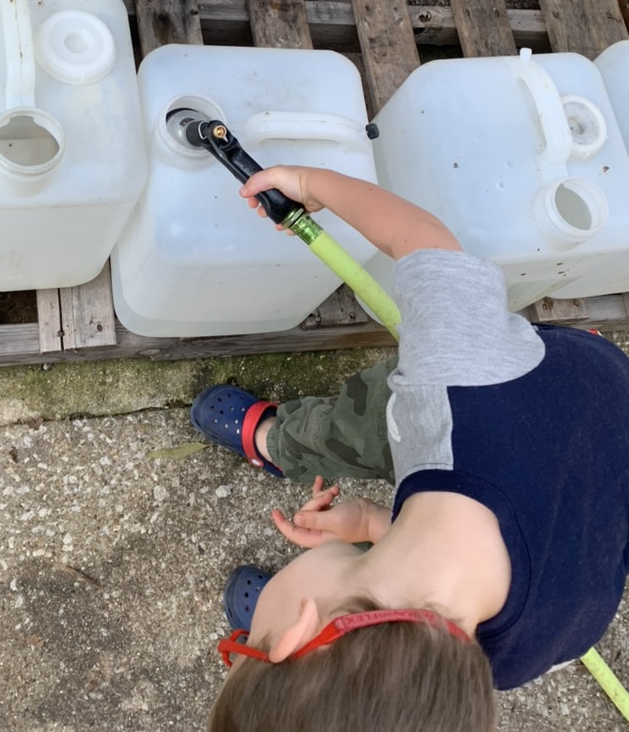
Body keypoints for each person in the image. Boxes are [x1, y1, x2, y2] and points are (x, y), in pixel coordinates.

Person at [189, 165, 629, 732]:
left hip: (593, 463)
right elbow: (421, 239)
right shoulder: (446, 389)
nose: (238, 644)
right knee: (366, 420)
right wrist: (307, 185)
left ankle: (295, 482)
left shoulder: (503, 660)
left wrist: (374, 525)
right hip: (537, 396)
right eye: (245, 650)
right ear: (297, 633)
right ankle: (281, 442)